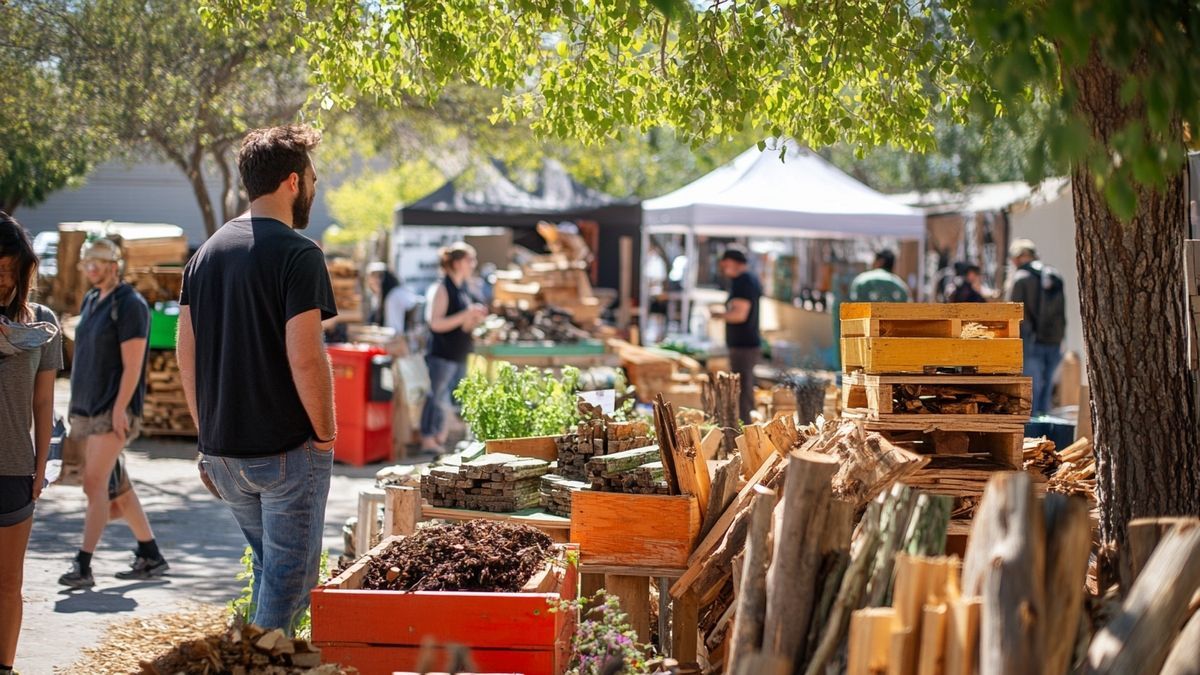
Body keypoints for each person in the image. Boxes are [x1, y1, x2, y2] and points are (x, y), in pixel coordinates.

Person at [177, 124, 337, 634]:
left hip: (224, 453)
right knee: (289, 588)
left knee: (270, 570)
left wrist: (206, 436)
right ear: (293, 181)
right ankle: (258, 665)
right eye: (313, 176)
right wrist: (326, 436)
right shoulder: (299, 253)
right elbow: (307, 358)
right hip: (286, 451)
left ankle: (245, 659)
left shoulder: (203, 255)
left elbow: (187, 352)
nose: (315, 186)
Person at [58, 238, 168, 588]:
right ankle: (150, 554)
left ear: (115, 265)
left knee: (94, 485)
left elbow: (133, 366)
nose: (91, 268)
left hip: (112, 410)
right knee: (117, 488)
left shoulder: (130, 304)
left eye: (99, 262)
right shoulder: (92, 300)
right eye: (87, 262)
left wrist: (120, 409)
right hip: (87, 410)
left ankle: (83, 564)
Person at [0, 212, 61, 674]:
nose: (3, 278)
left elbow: (44, 402)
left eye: (11, 268)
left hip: (15, 469)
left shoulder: (41, 322)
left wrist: (42, 465)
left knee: (8, 583)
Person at [420, 242, 487, 453]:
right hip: (442, 353)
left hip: (458, 353)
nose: (473, 264)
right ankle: (428, 439)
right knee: (436, 396)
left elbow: (462, 325)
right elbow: (435, 323)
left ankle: (439, 437)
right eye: (470, 260)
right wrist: (466, 315)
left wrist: (474, 319)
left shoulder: (463, 287)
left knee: (446, 399)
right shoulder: (441, 287)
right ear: (458, 263)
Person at [1007, 239, 1066, 415]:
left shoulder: (1020, 279)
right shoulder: (1054, 275)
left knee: (1029, 393)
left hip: (1031, 343)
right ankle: (1046, 436)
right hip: (1055, 341)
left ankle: (1030, 435)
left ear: (1018, 258)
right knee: (1046, 391)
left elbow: (1014, 314)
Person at [718, 246, 762, 425]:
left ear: (732, 262)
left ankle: (745, 429)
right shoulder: (748, 279)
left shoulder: (743, 281)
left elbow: (739, 314)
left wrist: (718, 315)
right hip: (745, 344)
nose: (723, 268)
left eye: (725, 264)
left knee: (742, 391)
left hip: (744, 345)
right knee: (744, 389)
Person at [366, 262, 419, 337]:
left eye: (379, 277)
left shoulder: (394, 296)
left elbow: (394, 329)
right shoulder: (377, 297)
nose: (375, 282)